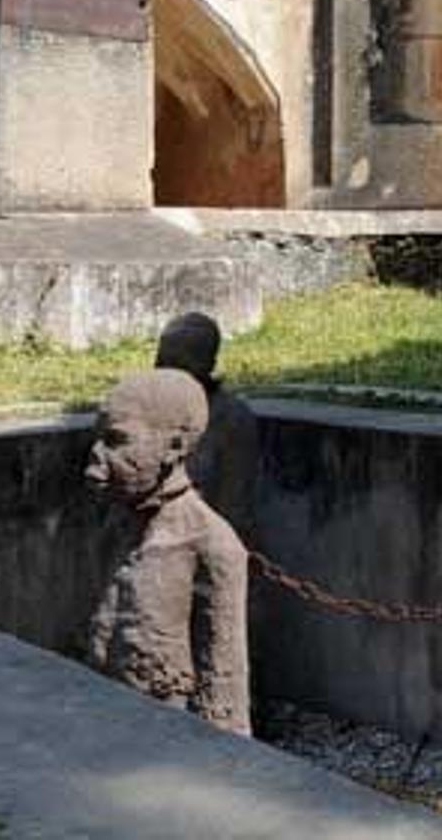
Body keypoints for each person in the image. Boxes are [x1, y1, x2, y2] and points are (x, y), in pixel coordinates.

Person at [85, 368, 251, 735]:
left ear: (174, 447)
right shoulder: (116, 527)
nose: (95, 459)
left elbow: (224, 688)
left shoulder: (212, 545)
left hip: (166, 739)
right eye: (97, 440)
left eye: (116, 441)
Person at [155, 310, 259, 541]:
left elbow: (234, 505)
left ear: (208, 365)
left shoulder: (231, 418)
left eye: (179, 363)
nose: (168, 372)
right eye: (162, 361)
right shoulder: (147, 407)